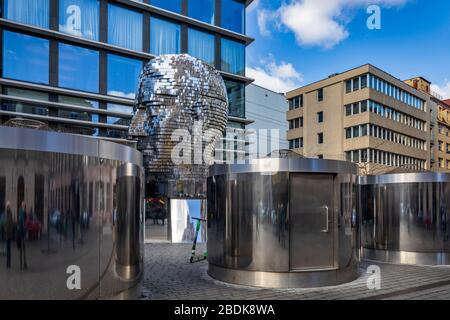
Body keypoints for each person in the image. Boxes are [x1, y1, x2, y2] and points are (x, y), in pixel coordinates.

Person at [17, 201, 27, 270]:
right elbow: (20, 220)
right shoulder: (20, 211)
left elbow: (25, 219)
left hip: (23, 233)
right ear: (21, 205)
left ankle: (25, 263)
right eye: (23, 205)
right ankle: (21, 264)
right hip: (20, 233)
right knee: (21, 249)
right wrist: (23, 212)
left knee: (24, 249)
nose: (24, 206)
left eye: (24, 205)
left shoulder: (24, 212)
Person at [4, 201, 13, 269]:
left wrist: (6, 229)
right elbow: (6, 222)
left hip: (8, 234)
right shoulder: (7, 213)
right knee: (8, 249)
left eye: (8, 206)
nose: (7, 207)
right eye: (7, 206)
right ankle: (8, 263)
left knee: (8, 249)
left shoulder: (9, 213)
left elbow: (10, 223)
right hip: (8, 234)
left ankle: (8, 263)